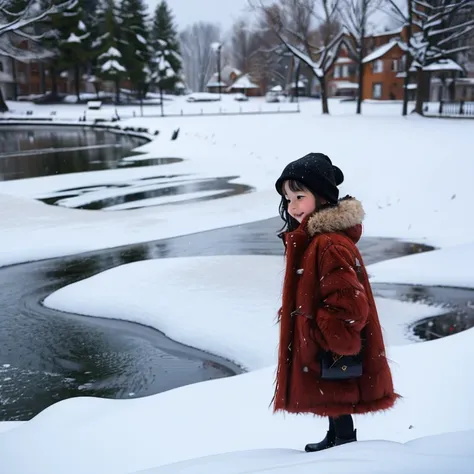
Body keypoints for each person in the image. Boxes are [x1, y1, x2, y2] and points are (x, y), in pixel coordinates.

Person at [273, 152, 399, 452]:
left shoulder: (327, 243)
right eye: (287, 199)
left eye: (299, 196)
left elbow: (348, 303)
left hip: (331, 338)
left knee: (336, 378)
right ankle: (337, 436)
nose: (292, 206)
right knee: (332, 385)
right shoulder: (316, 238)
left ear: (322, 197)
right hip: (323, 335)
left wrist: (325, 332)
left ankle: (343, 442)